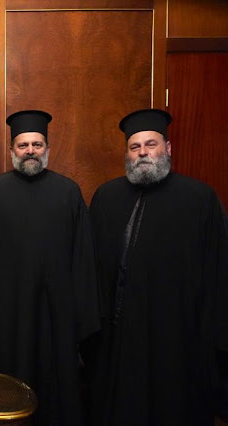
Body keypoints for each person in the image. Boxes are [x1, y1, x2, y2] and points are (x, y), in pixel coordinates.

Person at [88, 109, 228, 425]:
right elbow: (92, 268)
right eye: (135, 147)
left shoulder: (200, 198)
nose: (143, 153)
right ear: (127, 153)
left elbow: (218, 272)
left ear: (167, 148)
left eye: (150, 144)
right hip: (120, 335)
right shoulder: (106, 197)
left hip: (178, 335)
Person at [0, 110, 100, 425]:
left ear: (47, 149)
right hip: (7, 308)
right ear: (12, 150)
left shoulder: (68, 192)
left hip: (57, 312)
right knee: (8, 381)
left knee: (56, 382)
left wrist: (81, 307)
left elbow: (83, 255)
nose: (30, 151)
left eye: (36, 145)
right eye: (23, 145)